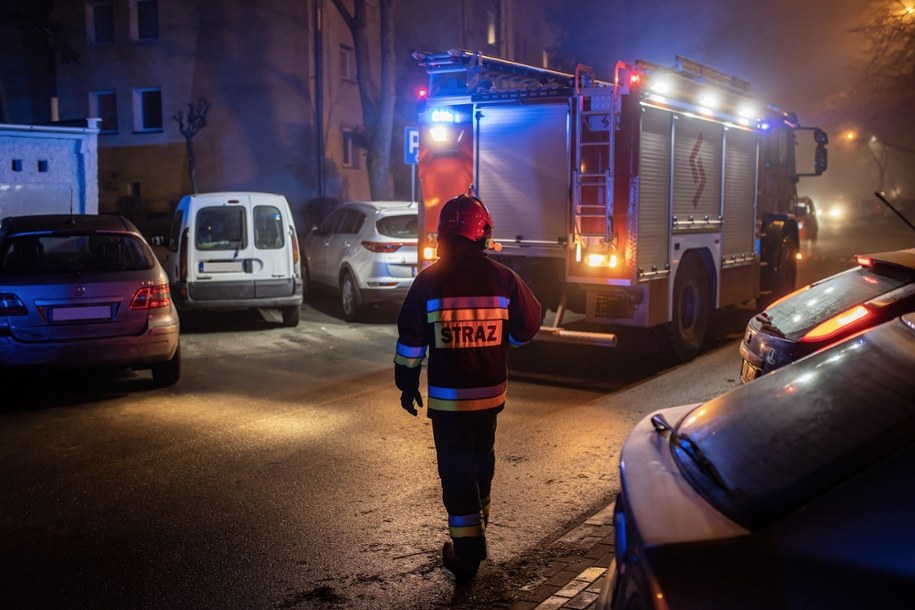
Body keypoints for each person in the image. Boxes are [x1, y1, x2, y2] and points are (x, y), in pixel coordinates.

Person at [393, 193, 541, 584]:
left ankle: (468, 554)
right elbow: (529, 325)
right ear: (482, 235)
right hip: (490, 396)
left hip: (448, 401)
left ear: (443, 235)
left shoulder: (428, 281)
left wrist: (406, 383)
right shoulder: (504, 278)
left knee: (456, 471)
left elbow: (410, 340)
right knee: (481, 459)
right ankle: (479, 523)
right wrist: (502, 343)